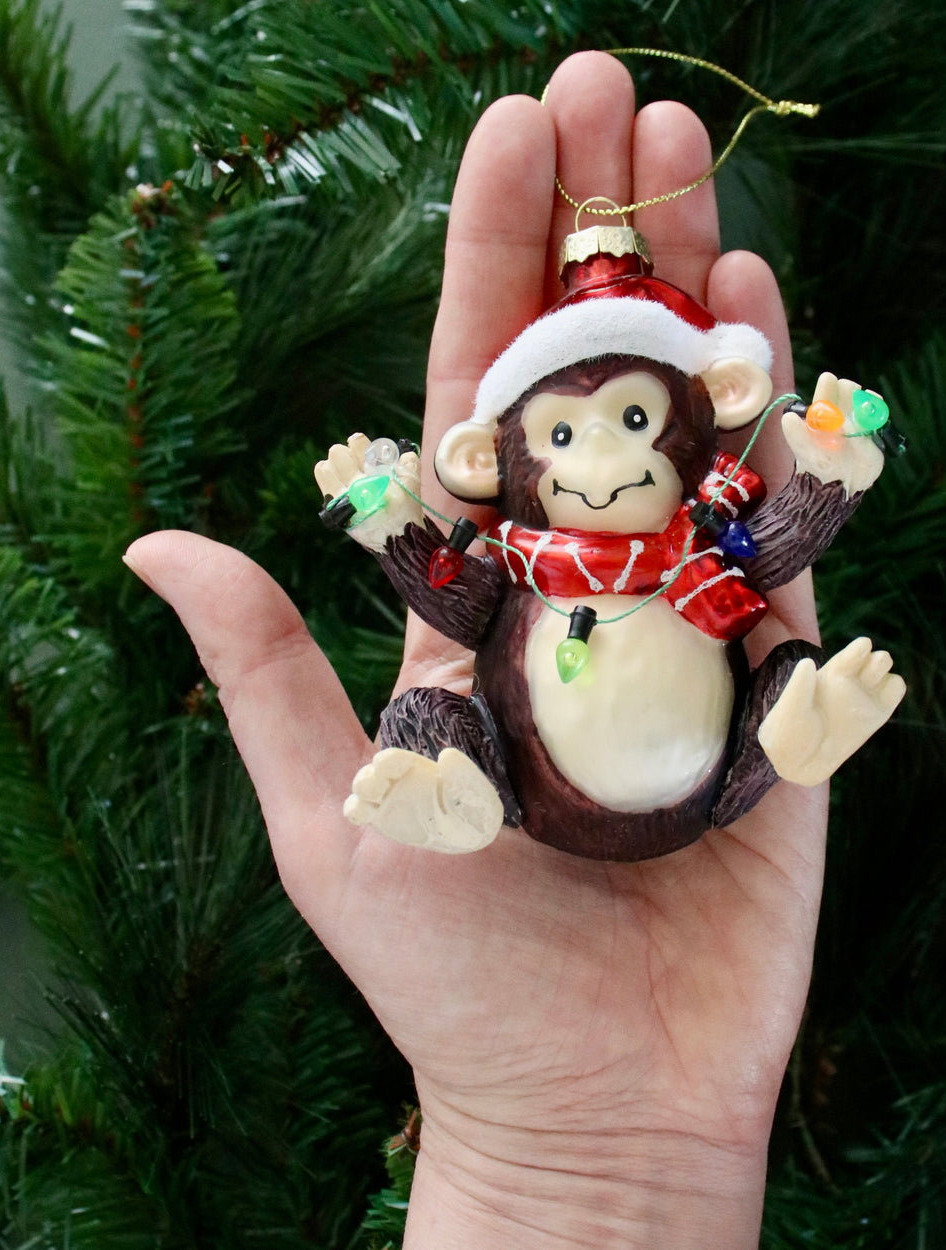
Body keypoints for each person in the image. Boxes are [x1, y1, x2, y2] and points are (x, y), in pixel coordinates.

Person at [124, 50, 829, 1250]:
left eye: (633, 419)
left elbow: (774, 547)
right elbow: (452, 602)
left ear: (691, 421)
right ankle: (453, 793)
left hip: (708, 797)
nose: (601, 458)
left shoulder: (703, 548)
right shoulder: (517, 569)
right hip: (527, 800)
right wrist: (392, 522)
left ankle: (798, 733)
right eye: (561, 433)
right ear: (492, 462)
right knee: (438, 709)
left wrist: (826, 475)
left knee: (782, 680)